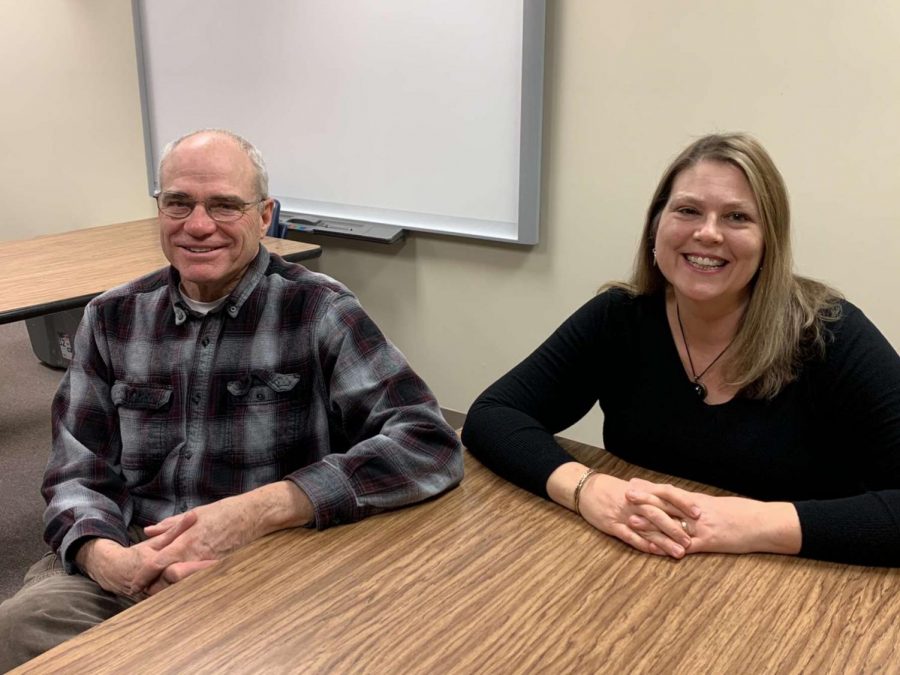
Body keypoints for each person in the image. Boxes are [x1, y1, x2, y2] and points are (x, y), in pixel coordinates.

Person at [0, 129, 463, 667]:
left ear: (264, 215)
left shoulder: (318, 311)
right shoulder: (111, 317)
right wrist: (108, 559)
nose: (198, 226)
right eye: (178, 203)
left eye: (224, 206)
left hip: (269, 557)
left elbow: (427, 441)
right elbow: (75, 472)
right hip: (132, 551)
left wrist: (260, 510)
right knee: (18, 632)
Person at [462, 132, 900, 567]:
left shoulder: (830, 332)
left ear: (769, 241)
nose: (708, 233)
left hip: (797, 589)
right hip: (636, 569)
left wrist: (752, 523)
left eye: (737, 217)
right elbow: (493, 415)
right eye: (688, 210)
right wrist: (589, 489)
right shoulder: (619, 318)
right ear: (656, 227)